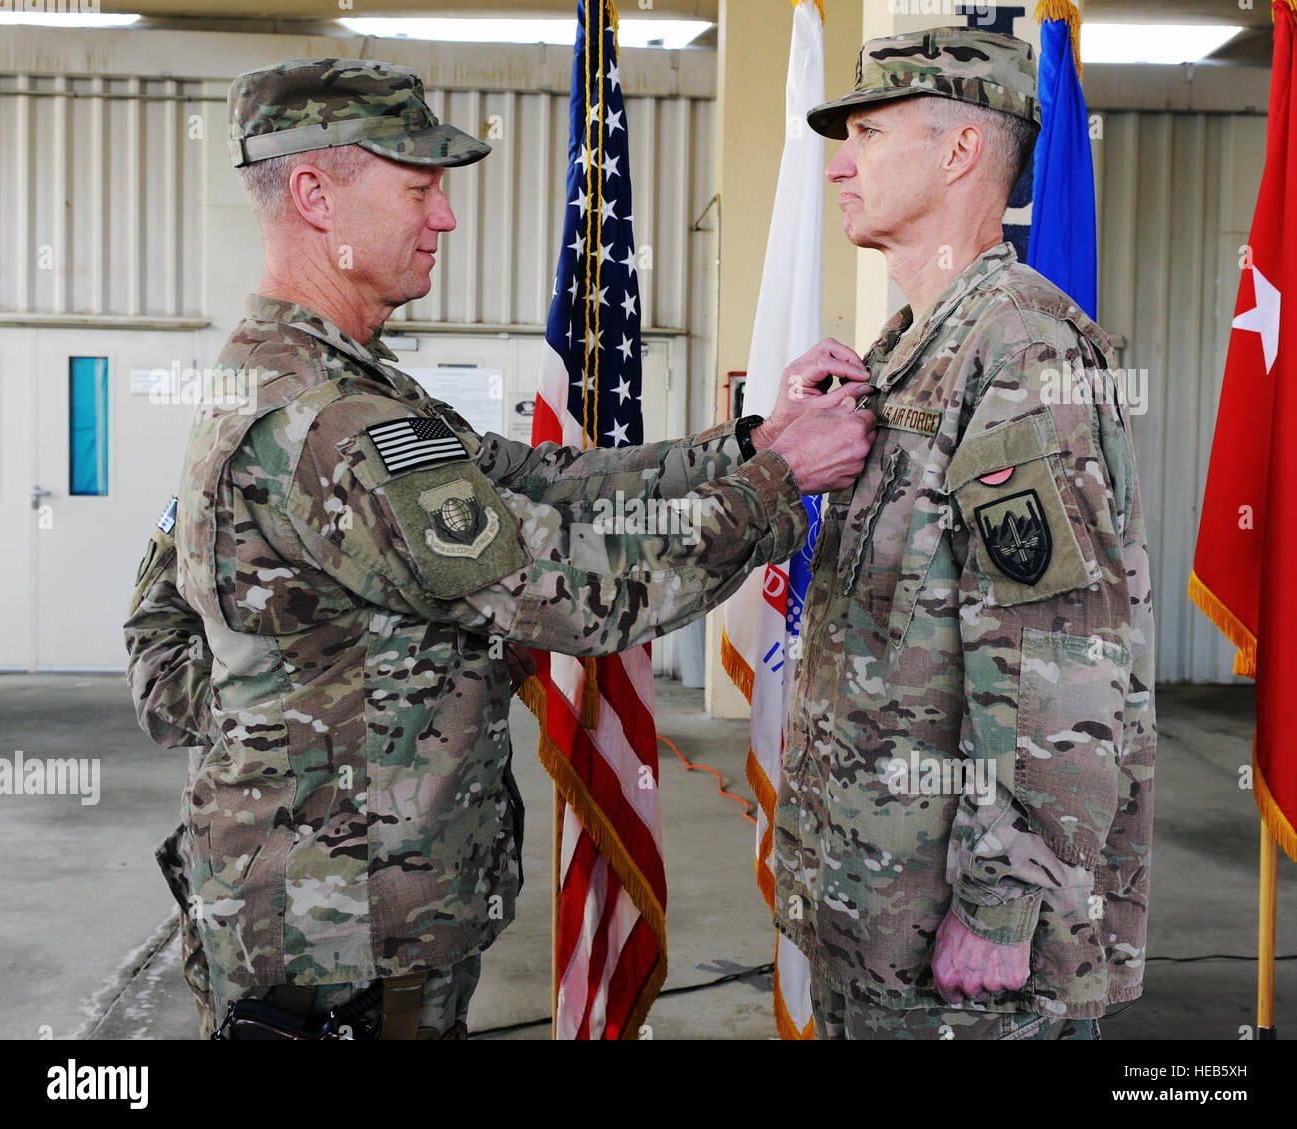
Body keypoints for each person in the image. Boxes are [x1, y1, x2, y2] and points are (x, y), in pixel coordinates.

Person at [124, 56, 878, 1040]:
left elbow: (528, 478)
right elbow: (582, 597)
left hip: (350, 911)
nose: (442, 218)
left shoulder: (321, 382)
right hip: (342, 946)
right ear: (315, 195)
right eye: (418, 187)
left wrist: (743, 446)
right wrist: (780, 486)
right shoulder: (330, 425)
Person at [772, 26, 1156, 1040]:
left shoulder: (1019, 349)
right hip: (880, 906)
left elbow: (1059, 658)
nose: (840, 163)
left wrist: (1000, 902)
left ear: (959, 153)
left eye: (867, 131)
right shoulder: (906, 351)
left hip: (966, 956)